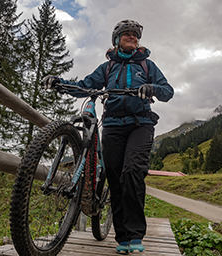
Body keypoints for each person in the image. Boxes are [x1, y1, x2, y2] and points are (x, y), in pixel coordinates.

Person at [41, 19, 174, 253]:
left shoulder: (146, 65)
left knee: (132, 171)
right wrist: (59, 83)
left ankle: (135, 235)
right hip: (112, 125)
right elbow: (84, 85)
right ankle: (122, 238)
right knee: (114, 178)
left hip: (140, 124)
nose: (133, 37)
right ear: (117, 40)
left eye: (135, 35)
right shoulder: (107, 68)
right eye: (127, 34)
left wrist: (151, 89)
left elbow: (167, 91)